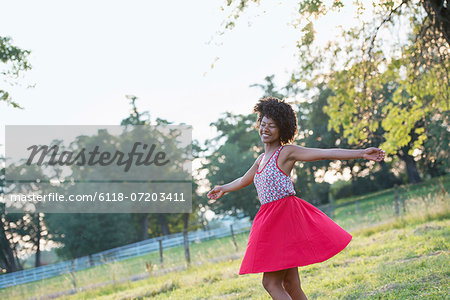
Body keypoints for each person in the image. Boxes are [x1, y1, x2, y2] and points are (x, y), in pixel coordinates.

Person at [207, 96, 385, 300]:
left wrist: (362, 153)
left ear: (282, 129)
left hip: (283, 218)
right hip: (270, 219)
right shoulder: (260, 159)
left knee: (270, 283)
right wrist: (223, 188)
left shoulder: (286, 152)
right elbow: (242, 180)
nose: (265, 129)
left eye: (271, 126)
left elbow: (323, 153)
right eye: (263, 124)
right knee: (290, 284)